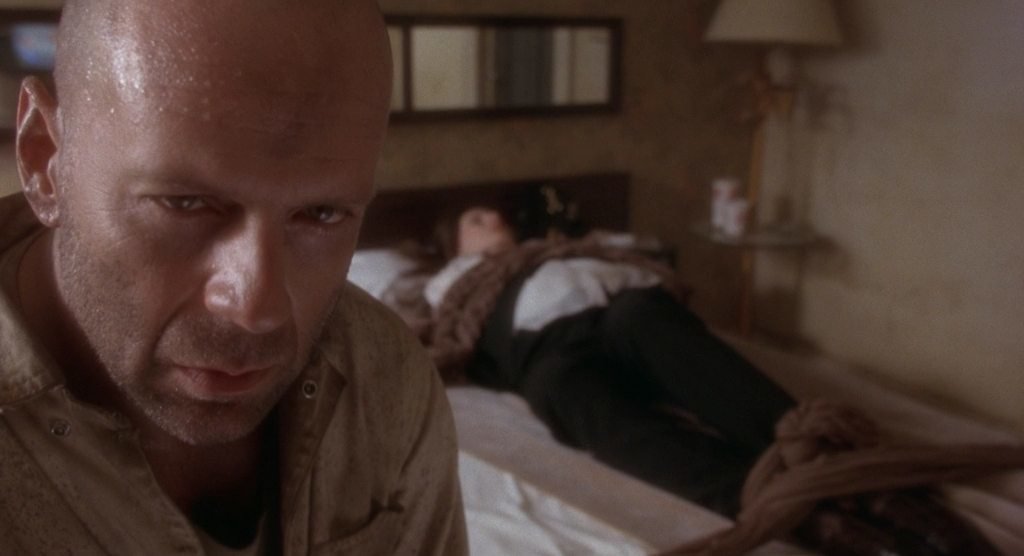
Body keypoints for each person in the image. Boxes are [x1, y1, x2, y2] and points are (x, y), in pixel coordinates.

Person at [0, 1, 467, 554]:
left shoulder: (385, 378)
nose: (256, 307)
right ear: (45, 159)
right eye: (185, 203)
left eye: (321, 215)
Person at [425, 207, 1002, 556]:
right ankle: (799, 511)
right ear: (455, 246)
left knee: (644, 316)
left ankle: (832, 462)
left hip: (622, 314)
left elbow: (651, 266)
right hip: (544, 348)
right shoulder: (448, 284)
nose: (493, 220)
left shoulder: (570, 248)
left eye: (496, 214)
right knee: (563, 392)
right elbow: (445, 342)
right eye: (476, 219)